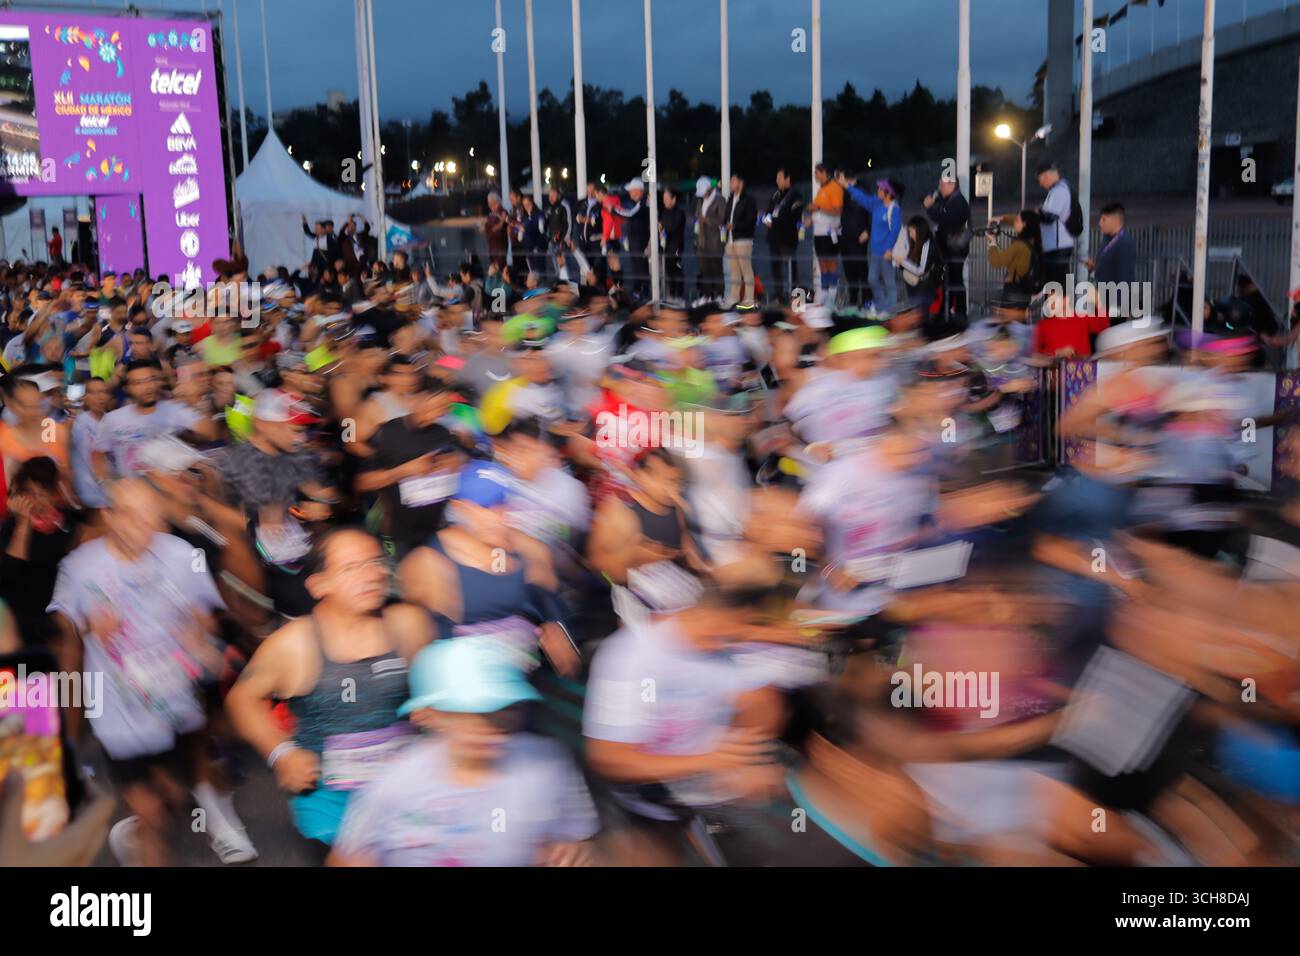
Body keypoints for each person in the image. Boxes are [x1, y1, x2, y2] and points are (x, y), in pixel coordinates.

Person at [48, 479, 255, 866]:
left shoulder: (180, 554)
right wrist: (90, 626)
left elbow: (208, 615)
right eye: (131, 517)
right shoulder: (80, 567)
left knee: (173, 794)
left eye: (152, 519)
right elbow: (63, 626)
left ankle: (137, 830)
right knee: (151, 809)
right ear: (108, 516)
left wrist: (200, 632)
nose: (143, 528)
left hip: (176, 701)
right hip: (118, 709)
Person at [226, 527, 431, 857]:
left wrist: (431, 708)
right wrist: (281, 754)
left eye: (376, 562)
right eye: (351, 568)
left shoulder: (408, 623)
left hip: (403, 789)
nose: (372, 574)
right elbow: (241, 698)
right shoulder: (296, 643)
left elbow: (429, 688)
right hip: (331, 804)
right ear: (319, 584)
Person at [329, 638, 599, 866]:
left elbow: (582, 844)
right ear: (427, 716)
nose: (483, 726)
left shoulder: (550, 764)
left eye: (498, 711)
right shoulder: (391, 786)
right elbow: (347, 859)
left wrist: (573, 851)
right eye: (463, 713)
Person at [838, 174, 903, 310]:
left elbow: (895, 231)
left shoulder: (894, 209)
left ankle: (890, 308)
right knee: (872, 278)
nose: (877, 190)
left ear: (888, 193)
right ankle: (882, 304)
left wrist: (889, 249)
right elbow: (862, 198)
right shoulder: (876, 204)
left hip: (886, 252)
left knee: (889, 281)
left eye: (880, 189)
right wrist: (847, 186)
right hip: (875, 251)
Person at [923, 172, 971, 318]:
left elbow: (943, 218)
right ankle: (948, 309)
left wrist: (929, 208)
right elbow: (942, 212)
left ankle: (959, 311)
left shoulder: (958, 202)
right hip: (951, 247)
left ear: (952, 185)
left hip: (955, 247)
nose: (940, 187)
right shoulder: (952, 199)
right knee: (950, 279)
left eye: (942, 184)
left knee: (955, 279)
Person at [805, 164, 844, 306]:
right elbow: (817, 210)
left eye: (817, 173)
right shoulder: (821, 189)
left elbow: (837, 211)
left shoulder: (835, 187)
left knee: (831, 263)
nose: (815, 176)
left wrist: (819, 208)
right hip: (819, 233)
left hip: (830, 232)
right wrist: (811, 214)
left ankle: (832, 295)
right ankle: (825, 292)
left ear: (824, 172)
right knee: (822, 264)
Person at [986, 210, 1043, 304]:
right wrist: (1002, 219)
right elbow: (1020, 221)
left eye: (1017, 220)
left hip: (1013, 292)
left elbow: (995, 261)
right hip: (1024, 290)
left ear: (1024, 224)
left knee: (1010, 318)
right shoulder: (1033, 240)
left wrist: (993, 243)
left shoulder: (1019, 247)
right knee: (1018, 318)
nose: (1014, 222)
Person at [763, 167, 803, 303]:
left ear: (788, 179)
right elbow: (767, 212)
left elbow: (793, 217)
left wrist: (774, 221)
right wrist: (767, 220)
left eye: (779, 178)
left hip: (787, 238)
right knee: (776, 269)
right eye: (776, 178)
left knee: (791, 269)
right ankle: (778, 296)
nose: (777, 181)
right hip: (773, 238)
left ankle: (796, 299)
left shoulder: (795, 195)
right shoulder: (776, 194)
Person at [1035, 160, 1075, 288]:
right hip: (1057, 246)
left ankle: (1058, 307)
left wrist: (1037, 212)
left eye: (1040, 180)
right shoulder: (1061, 189)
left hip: (1057, 247)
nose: (1041, 185)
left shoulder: (1058, 191)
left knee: (1055, 288)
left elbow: (1049, 217)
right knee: (1059, 287)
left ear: (1046, 176)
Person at [724, 173, 758, 309]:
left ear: (741, 183)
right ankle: (734, 296)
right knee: (734, 270)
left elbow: (751, 220)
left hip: (743, 239)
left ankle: (749, 298)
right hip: (731, 239)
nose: (731, 184)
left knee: (746, 269)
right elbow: (727, 216)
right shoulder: (731, 198)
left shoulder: (749, 200)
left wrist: (736, 226)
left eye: (733, 181)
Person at [1087, 202, 1135, 289]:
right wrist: (1093, 269)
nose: (1100, 223)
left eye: (1104, 219)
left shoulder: (1124, 244)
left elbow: (1125, 278)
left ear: (1115, 221)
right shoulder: (1107, 240)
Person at [694, 176, 725, 303]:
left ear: (709, 189)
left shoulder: (720, 200)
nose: (703, 195)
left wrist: (707, 220)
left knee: (716, 269)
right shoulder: (700, 201)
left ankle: (719, 295)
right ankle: (706, 295)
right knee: (704, 270)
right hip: (702, 241)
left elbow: (722, 218)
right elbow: (697, 215)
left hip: (715, 241)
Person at [660, 188, 688, 302]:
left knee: (677, 271)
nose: (665, 201)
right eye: (664, 199)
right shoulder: (663, 212)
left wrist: (663, 228)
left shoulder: (680, 213)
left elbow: (674, 228)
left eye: (667, 199)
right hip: (666, 245)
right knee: (669, 271)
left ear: (674, 199)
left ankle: (679, 295)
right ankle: (671, 295)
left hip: (676, 246)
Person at [545, 184, 575, 281]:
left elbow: (569, 223)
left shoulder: (564, 205)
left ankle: (570, 285)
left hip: (562, 241)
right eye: (549, 196)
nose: (551, 198)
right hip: (553, 241)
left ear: (558, 195)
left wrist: (565, 239)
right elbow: (548, 224)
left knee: (566, 264)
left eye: (553, 195)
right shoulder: (550, 208)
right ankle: (559, 283)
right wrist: (548, 238)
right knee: (555, 265)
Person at [483, 192, 510, 270]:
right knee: (493, 267)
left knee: (499, 267)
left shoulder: (502, 212)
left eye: (491, 202)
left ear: (496, 202)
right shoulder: (491, 214)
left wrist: (491, 229)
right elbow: (486, 229)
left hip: (500, 246)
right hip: (492, 246)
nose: (489, 205)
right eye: (489, 203)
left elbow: (500, 227)